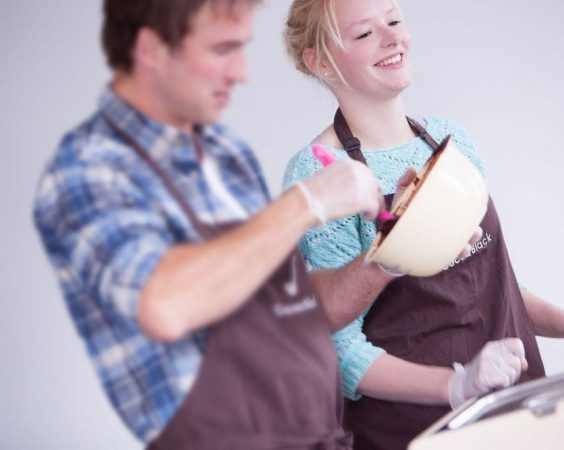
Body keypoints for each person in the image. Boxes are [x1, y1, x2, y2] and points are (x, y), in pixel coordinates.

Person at [32, 0, 390, 448]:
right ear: (151, 50)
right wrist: (307, 202)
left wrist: (386, 255)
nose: (242, 72)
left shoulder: (225, 153)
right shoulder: (89, 170)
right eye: (223, 50)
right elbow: (165, 305)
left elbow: (297, 310)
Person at [282, 0, 564, 449]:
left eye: (394, 21)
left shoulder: (452, 143)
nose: (392, 38)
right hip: (413, 431)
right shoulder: (321, 173)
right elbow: (340, 348)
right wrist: (456, 386)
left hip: (514, 414)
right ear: (320, 62)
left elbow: (498, 286)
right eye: (364, 33)